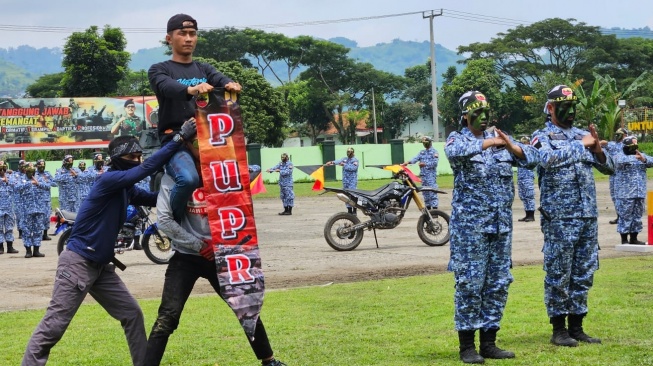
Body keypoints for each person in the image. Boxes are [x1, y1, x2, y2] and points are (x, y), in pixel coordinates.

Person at [22, 120, 196, 366]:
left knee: (132, 314)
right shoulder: (110, 180)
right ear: (119, 158)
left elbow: (155, 198)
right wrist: (178, 139)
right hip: (78, 266)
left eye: (139, 155)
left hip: (101, 267)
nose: (137, 160)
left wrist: (187, 186)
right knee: (54, 327)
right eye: (133, 156)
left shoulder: (125, 189)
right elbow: (145, 168)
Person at [144, 133, 285, 366]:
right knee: (167, 317)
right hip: (186, 257)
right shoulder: (172, 180)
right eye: (197, 142)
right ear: (187, 146)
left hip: (222, 256)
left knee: (246, 307)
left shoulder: (226, 178)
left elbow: (242, 208)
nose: (204, 147)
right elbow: (165, 222)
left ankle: (269, 361)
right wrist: (200, 245)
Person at [444, 90, 539, 364]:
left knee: (498, 284)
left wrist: (510, 146)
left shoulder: (501, 137)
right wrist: (487, 143)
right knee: (470, 283)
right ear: (465, 114)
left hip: (501, 227)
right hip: (470, 228)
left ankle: (489, 343)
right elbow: (452, 152)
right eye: (476, 110)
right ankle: (467, 347)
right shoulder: (457, 138)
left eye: (486, 110)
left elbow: (530, 157)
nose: (483, 116)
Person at [532, 84, 613, 348]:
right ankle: (559, 329)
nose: (570, 113)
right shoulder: (542, 136)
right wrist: (583, 146)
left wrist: (597, 149)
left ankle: (577, 326)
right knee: (559, 272)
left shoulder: (582, 134)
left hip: (587, 215)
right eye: (564, 108)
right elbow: (544, 159)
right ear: (551, 108)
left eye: (573, 107)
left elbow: (609, 167)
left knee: (583, 271)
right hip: (559, 217)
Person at [148, 13, 242, 222]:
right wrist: (192, 89)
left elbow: (219, 78)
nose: (189, 38)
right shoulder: (159, 69)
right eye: (182, 33)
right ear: (169, 38)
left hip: (209, 140)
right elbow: (167, 87)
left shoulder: (204, 68)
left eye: (192, 33)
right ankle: (174, 221)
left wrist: (229, 84)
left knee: (239, 176)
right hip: (176, 139)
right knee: (188, 179)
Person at [613, 136, 653, 244]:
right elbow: (618, 161)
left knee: (637, 216)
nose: (635, 147)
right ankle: (624, 239)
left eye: (636, 144)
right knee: (625, 216)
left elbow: (651, 161)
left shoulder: (641, 156)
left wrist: (643, 159)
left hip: (639, 192)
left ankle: (634, 238)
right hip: (625, 193)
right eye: (633, 145)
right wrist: (636, 158)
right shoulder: (620, 156)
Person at [16, 163, 48, 258]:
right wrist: (29, 183)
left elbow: (47, 186)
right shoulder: (21, 179)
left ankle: (36, 250)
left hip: (39, 208)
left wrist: (38, 183)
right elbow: (16, 188)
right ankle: (28, 250)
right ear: (25, 171)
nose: (31, 173)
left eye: (33, 172)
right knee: (26, 230)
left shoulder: (39, 178)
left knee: (38, 230)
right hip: (26, 210)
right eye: (29, 172)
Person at [402, 137, 439, 209]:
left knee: (432, 192)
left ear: (430, 143)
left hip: (431, 176)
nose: (425, 145)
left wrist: (425, 164)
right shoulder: (422, 152)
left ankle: (435, 210)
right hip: (423, 176)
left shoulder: (434, 152)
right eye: (424, 143)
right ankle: (428, 209)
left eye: (426, 143)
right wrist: (407, 162)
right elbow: (415, 158)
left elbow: (435, 163)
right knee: (425, 193)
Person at [600, 128, 628, 225]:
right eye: (616, 134)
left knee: (624, 196)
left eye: (620, 134)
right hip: (613, 174)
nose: (617, 136)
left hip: (624, 175)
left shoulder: (628, 145)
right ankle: (619, 216)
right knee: (614, 196)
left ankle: (625, 217)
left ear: (625, 135)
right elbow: (604, 143)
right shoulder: (613, 144)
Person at [325, 147, 359, 214]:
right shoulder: (345, 159)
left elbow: (353, 168)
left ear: (352, 152)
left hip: (352, 181)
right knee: (346, 196)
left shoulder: (355, 160)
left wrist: (344, 165)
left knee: (353, 195)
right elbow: (338, 161)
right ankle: (349, 209)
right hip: (345, 181)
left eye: (349, 152)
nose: (348, 153)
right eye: (347, 152)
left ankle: (354, 209)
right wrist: (331, 162)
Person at [516, 136, 536, 222]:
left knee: (529, 196)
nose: (524, 143)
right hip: (521, 176)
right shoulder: (520, 152)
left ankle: (531, 215)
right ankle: (527, 214)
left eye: (525, 141)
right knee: (523, 196)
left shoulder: (530, 151)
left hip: (527, 176)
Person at [35, 159, 56, 240]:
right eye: (40, 165)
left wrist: (47, 181)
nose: (42, 167)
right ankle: (38, 234)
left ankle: (45, 233)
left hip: (46, 199)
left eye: (43, 165)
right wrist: (44, 183)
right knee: (39, 217)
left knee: (46, 217)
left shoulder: (47, 173)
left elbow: (54, 183)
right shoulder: (34, 174)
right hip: (37, 199)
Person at [0, 160, 18, 254]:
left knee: (9, 227)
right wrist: (2, 180)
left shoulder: (11, 176)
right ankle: (0, 247)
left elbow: (16, 183)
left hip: (9, 207)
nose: (2, 170)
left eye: (3, 168)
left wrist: (6, 179)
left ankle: (10, 247)